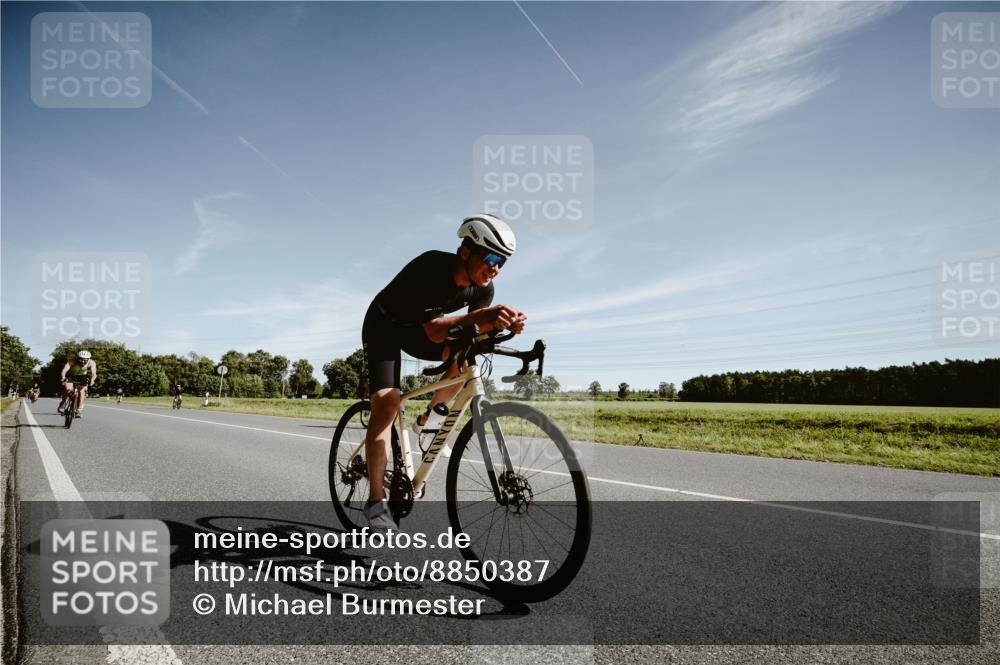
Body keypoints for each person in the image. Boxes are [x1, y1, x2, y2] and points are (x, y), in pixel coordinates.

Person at [361, 213, 526, 532]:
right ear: (465, 251)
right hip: (385, 327)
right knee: (387, 403)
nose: (495, 268)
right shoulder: (431, 268)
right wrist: (485, 317)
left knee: (466, 356)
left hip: (420, 331)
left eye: (502, 262)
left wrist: (502, 325)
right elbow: (436, 332)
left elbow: (473, 332)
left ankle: (430, 419)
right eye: (491, 258)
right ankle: (376, 503)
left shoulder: (483, 290)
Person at [60, 350, 97, 418]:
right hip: (71, 376)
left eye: (85, 360)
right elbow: (64, 370)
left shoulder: (91, 362)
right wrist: (63, 377)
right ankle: (63, 403)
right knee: (67, 389)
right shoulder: (72, 361)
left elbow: (94, 373)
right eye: (81, 359)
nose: (83, 361)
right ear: (77, 358)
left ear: (88, 359)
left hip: (82, 377)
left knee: (81, 392)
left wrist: (92, 380)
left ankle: (78, 411)